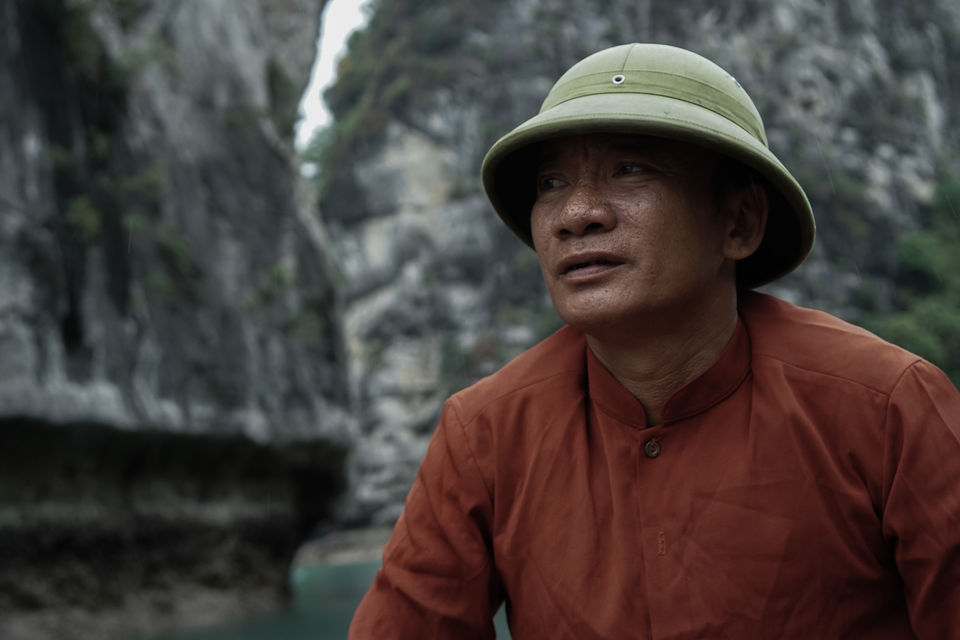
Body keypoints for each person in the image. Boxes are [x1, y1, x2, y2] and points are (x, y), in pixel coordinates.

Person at [348, 43, 960, 639]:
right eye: (552, 182)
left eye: (630, 169)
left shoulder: (888, 407)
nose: (576, 213)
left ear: (739, 222)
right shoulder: (484, 434)